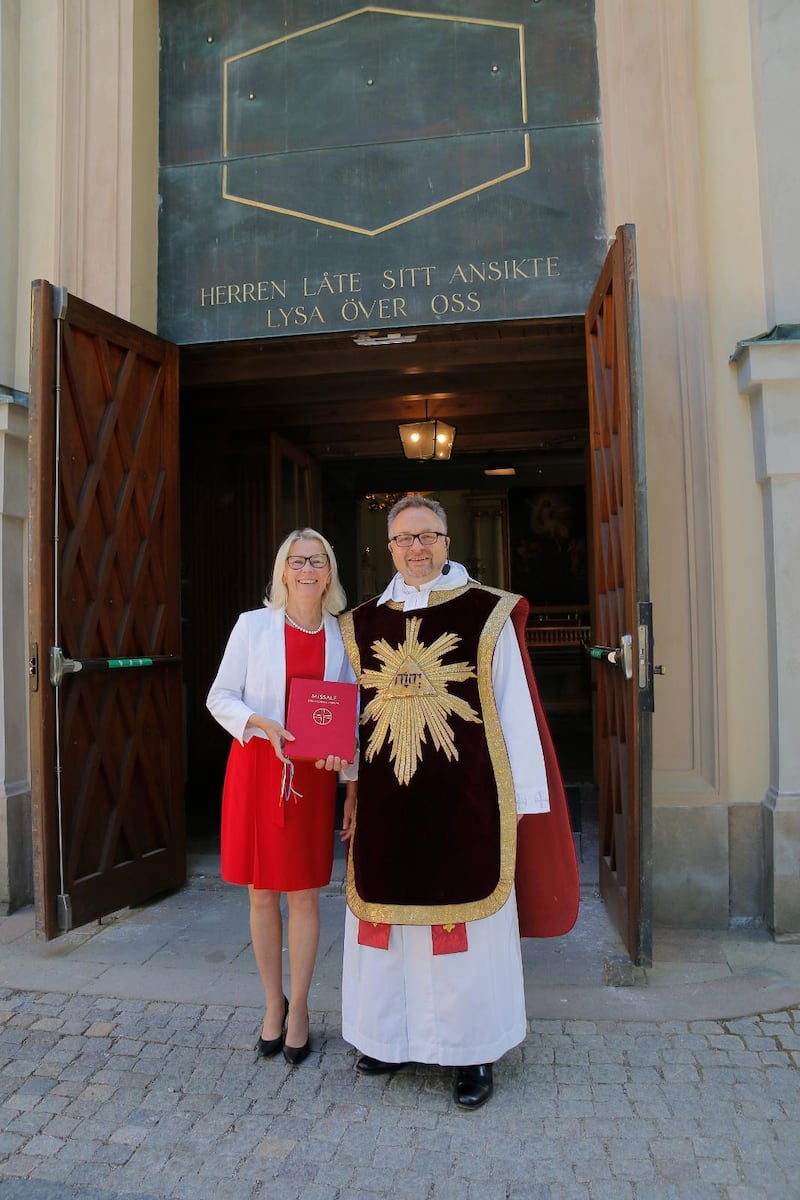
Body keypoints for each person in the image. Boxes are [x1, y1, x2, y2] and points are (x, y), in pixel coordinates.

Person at [338, 497, 579, 1109]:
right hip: (388, 804)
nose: (415, 548)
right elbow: (344, 719)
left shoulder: (486, 613)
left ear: (448, 540)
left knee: (463, 928)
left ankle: (472, 1052)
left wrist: (524, 803)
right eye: (403, 538)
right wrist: (345, 784)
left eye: (428, 536)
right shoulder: (360, 623)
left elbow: (515, 713)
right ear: (387, 547)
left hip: (465, 800)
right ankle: (385, 1037)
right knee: (384, 924)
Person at [207, 528, 357, 1067]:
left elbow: (351, 717)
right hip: (256, 768)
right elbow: (218, 696)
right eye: (298, 561)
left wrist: (352, 784)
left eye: (318, 560)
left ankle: (302, 1011)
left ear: (329, 570)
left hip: (312, 781)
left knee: (305, 895)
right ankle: (274, 1003)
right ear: (283, 569)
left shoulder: (345, 635)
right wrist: (257, 721)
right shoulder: (253, 626)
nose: (307, 569)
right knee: (261, 893)